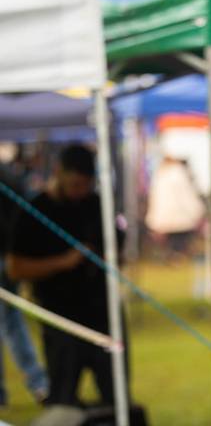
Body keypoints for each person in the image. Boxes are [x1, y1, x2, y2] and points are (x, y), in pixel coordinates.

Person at [6, 144, 128, 408]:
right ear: (59, 172)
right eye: (75, 185)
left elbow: (119, 253)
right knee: (63, 400)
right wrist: (64, 262)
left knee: (117, 399)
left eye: (86, 185)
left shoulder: (98, 205)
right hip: (61, 317)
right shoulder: (35, 210)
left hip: (102, 313)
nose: (80, 192)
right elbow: (15, 269)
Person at [0, 164, 49, 406]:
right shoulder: (9, 176)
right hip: (10, 257)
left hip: (8, 258)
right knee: (11, 321)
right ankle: (38, 383)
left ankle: (38, 382)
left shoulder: (7, 178)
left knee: (10, 321)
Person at [145, 155, 205, 262]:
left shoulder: (160, 173)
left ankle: (173, 254)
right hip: (177, 218)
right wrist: (198, 210)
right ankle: (177, 254)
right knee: (181, 233)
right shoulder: (178, 173)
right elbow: (186, 196)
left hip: (162, 218)